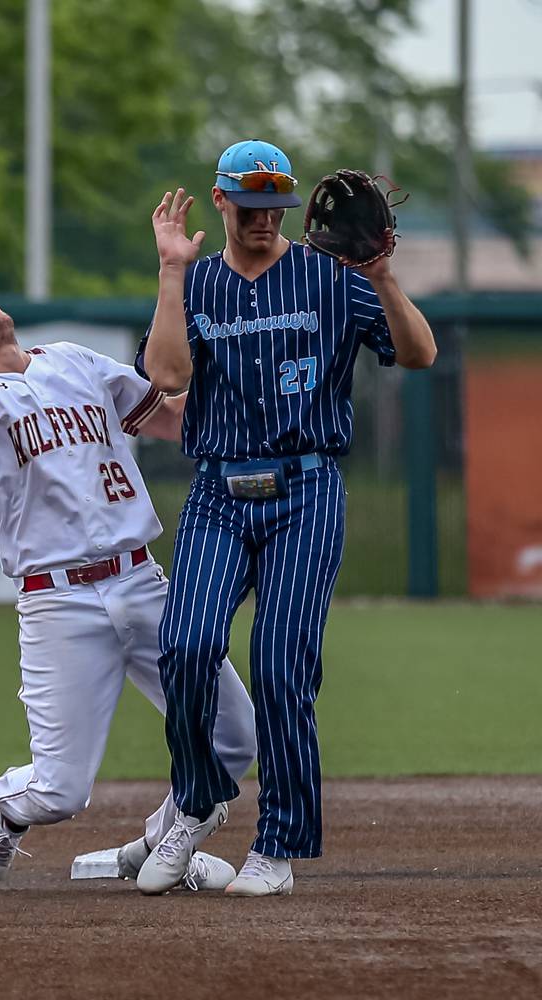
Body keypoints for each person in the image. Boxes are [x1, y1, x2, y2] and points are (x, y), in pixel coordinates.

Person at [0, 212, 257, 890]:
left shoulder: (75, 361)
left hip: (140, 580)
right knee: (59, 792)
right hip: (58, 601)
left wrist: (195, 308)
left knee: (234, 737)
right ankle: (5, 815)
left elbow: (175, 418)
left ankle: (158, 843)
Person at [134, 139, 437, 897]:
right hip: (218, 491)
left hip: (306, 490)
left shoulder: (331, 278)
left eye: (277, 205)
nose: (266, 218)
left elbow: (420, 353)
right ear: (222, 201)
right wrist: (171, 271)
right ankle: (198, 802)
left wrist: (383, 277)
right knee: (186, 646)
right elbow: (166, 375)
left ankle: (278, 847)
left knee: (279, 665)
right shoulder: (198, 283)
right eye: (252, 202)